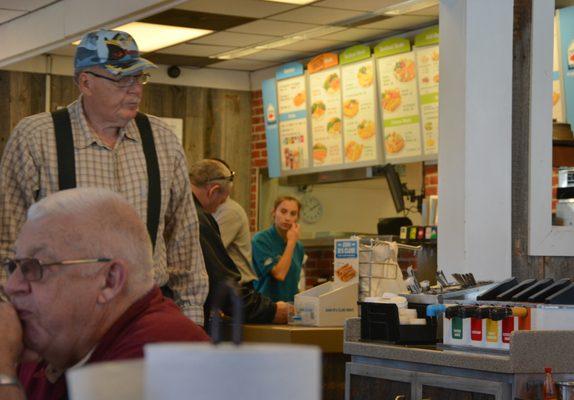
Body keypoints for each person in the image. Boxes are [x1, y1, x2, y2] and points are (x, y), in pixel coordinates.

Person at [0, 29, 208, 325]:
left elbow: (184, 239)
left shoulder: (162, 140)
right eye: (122, 79)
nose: (135, 89)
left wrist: (192, 318)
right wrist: (12, 323)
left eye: (139, 78)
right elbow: (7, 242)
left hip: (144, 314)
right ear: (86, 82)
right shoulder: (37, 138)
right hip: (61, 317)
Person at [0, 188, 209, 400]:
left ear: (110, 281)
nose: (11, 286)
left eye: (34, 267)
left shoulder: (164, 357)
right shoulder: (54, 341)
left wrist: (3, 374)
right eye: (13, 266)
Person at [189, 159, 291, 325]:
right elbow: (221, 283)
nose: (217, 208)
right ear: (213, 191)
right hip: (223, 302)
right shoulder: (198, 219)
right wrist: (270, 311)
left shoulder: (175, 206)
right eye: (222, 200)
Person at [252, 196, 305, 302]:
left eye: (293, 214)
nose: (287, 218)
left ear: (297, 218)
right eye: (283, 211)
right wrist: (291, 243)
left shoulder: (298, 246)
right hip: (266, 309)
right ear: (274, 213)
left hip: (290, 308)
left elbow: (295, 281)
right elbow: (279, 274)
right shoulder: (261, 240)